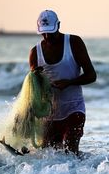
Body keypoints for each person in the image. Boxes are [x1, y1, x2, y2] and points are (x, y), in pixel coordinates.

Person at [28, 10, 96, 155]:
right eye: (44, 33)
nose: (47, 36)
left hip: (74, 109)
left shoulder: (74, 42)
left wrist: (70, 82)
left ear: (58, 25)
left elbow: (91, 75)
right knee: (50, 157)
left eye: (50, 32)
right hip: (50, 114)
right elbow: (34, 88)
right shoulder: (35, 52)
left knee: (71, 154)